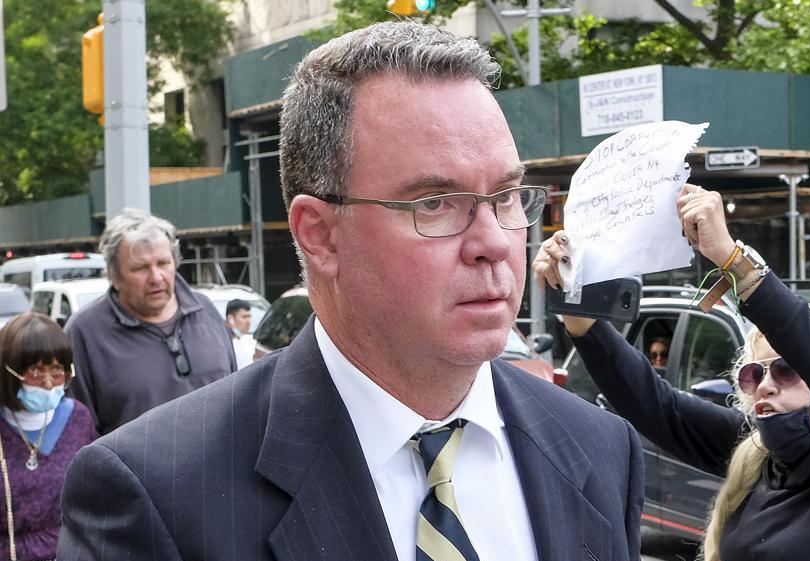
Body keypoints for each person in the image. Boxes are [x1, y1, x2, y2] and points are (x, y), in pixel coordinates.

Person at [58, 21, 643, 561]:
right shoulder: (158, 492)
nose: (492, 241)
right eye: (433, 204)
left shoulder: (602, 449)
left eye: (507, 196)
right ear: (320, 234)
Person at [534, 184, 810, 561]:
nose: (766, 385)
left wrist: (732, 260)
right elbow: (657, 407)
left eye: (787, 369)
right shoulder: (756, 454)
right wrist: (579, 313)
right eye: (753, 374)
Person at [64, 209, 236, 434]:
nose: (156, 277)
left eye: (163, 263)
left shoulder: (206, 312)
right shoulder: (84, 333)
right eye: (140, 268)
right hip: (129, 469)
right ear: (115, 276)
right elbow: (78, 434)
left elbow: (237, 399)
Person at [0, 312, 97, 560]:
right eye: (35, 371)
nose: (47, 384)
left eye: (56, 371)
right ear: (8, 371)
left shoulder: (78, 419)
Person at [225, 298, 255, 369]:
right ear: (230, 319)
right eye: (244, 317)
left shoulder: (248, 339)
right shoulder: (224, 343)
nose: (248, 321)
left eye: (249, 317)